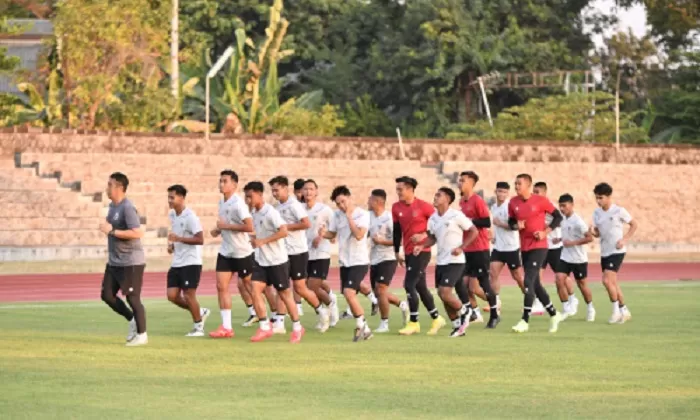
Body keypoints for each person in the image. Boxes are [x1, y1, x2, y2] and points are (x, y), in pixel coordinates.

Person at [245, 181, 305, 343]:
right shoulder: (255, 214)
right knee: (254, 289)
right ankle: (265, 326)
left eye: (250, 197)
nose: (248, 200)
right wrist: (253, 239)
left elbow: (284, 231)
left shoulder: (270, 212)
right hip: (262, 261)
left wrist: (263, 241)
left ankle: (298, 327)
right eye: (246, 197)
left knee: (285, 295)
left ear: (259, 195)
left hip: (278, 261)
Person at [269, 176, 329, 332]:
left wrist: (285, 226)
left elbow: (306, 223)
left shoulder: (294, 205)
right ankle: (280, 322)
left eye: (276, 190)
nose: (274, 193)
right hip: (282, 252)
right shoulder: (276, 207)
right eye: (272, 190)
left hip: (298, 252)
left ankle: (320, 310)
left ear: (285, 189)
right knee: (282, 287)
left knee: (300, 288)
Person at [508, 173, 565, 333]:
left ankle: (525, 321)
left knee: (528, 281)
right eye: (515, 183)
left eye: (519, 184)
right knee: (536, 284)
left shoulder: (540, 201)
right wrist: (515, 225)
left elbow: (557, 217)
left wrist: (545, 232)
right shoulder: (513, 202)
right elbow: (511, 221)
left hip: (539, 247)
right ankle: (554, 314)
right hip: (524, 247)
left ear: (528, 185)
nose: (516, 186)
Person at [418, 187, 478, 337]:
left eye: (439, 195)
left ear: (447, 199)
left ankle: (467, 311)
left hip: (455, 260)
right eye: (435, 194)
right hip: (441, 261)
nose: (435, 197)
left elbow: (474, 231)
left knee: (444, 292)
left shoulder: (456, 215)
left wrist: (462, 247)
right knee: (442, 294)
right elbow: (432, 238)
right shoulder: (432, 218)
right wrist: (421, 246)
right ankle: (457, 326)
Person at [392, 176, 446, 336]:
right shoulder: (396, 207)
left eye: (400, 189)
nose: (398, 192)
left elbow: (438, 224)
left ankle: (414, 322)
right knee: (420, 287)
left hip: (422, 252)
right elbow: (397, 231)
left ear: (410, 189)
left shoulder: (424, 207)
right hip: (408, 252)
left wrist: (423, 235)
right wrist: (397, 251)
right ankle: (437, 318)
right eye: (397, 189)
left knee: (409, 284)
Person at [98, 172, 147, 346]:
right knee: (107, 295)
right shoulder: (112, 206)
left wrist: (112, 231)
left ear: (119, 187)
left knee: (133, 298)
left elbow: (137, 232)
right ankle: (132, 319)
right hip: (114, 262)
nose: (107, 187)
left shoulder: (127, 207)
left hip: (131, 262)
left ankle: (142, 335)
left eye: (110, 184)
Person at [319, 185, 373, 342]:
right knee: (347, 294)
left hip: (359, 260)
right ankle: (366, 329)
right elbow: (333, 234)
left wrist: (349, 217)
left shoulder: (362, 214)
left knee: (349, 293)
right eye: (338, 203)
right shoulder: (336, 216)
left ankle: (361, 325)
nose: (341, 206)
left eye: (343, 201)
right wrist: (324, 234)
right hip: (345, 261)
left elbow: (359, 235)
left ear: (350, 197)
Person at [209, 170, 254, 339]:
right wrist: (217, 229)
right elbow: (225, 225)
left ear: (234, 185)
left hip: (242, 252)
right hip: (226, 251)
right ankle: (226, 327)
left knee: (252, 287)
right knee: (221, 287)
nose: (221, 184)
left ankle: (272, 318)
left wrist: (226, 226)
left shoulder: (238, 204)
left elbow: (249, 227)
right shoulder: (222, 203)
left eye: (225, 181)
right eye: (220, 181)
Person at [165, 184, 211, 336]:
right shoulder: (172, 215)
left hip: (191, 262)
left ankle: (198, 328)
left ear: (182, 198)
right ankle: (200, 311)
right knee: (172, 296)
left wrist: (179, 239)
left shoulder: (190, 217)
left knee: (189, 295)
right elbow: (176, 235)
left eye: (172, 197)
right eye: (169, 197)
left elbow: (200, 239)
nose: (169, 201)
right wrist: (172, 245)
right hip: (177, 261)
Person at [457, 171, 500, 328]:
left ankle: (495, 313)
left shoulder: (477, 201)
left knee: (483, 283)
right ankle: (473, 312)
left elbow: (486, 222)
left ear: (471, 184)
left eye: (463, 180)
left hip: (479, 249)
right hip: (466, 249)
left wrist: (468, 221)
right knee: (461, 282)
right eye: (459, 180)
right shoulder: (462, 202)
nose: (459, 183)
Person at [590, 182, 637, 324]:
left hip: (617, 251)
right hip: (605, 251)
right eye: (596, 198)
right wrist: (593, 232)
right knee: (613, 283)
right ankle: (624, 310)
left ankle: (615, 311)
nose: (598, 201)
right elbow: (599, 233)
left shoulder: (619, 211)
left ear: (609, 196)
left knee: (606, 280)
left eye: (601, 198)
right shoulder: (596, 213)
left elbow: (634, 224)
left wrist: (625, 239)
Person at [368, 189, 409, 333]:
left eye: (370, 199)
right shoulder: (369, 216)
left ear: (378, 202)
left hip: (388, 258)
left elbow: (399, 241)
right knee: (379, 293)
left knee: (380, 289)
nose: (368, 201)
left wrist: (382, 241)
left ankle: (384, 323)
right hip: (374, 258)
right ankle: (402, 304)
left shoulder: (389, 218)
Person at [533, 181, 577, 316]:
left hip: (555, 247)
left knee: (563, 277)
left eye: (537, 192)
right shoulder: (534, 207)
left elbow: (560, 221)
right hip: (541, 247)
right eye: (533, 192)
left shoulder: (551, 207)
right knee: (537, 276)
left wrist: (547, 227)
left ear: (544, 193)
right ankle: (539, 303)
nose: (534, 195)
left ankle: (572, 298)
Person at [303, 179, 340, 329]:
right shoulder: (299, 209)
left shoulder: (325, 210)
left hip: (321, 253)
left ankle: (330, 306)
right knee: (304, 288)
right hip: (304, 253)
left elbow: (333, 232)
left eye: (311, 189)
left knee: (312, 287)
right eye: (305, 189)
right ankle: (326, 307)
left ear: (316, 192)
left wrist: (323, 236)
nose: (308, 192)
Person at [556, 194, 595, 321]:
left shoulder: (578, 221)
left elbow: (589, 238)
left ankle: (590, 308)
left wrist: (572, 243)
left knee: (582, 285)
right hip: (565, 257)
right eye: (560, 206)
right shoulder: (563, 219)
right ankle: (566, 308)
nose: (562, 208)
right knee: (559, 279)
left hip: (578, 259)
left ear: (572, 205)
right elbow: (568, 234)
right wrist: (560, 239)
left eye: (564, 206)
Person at [489, 182, 525, 307]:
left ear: (508, 193)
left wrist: (500, 224)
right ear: (496, 192)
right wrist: (493, 237)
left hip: (511, 248)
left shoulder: (510, 207)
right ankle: (496, 302)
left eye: (504, 192)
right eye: (500, 191)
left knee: (518, 277)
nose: (502, 194)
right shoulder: (493, 207)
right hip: (498, 247)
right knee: (493, 273)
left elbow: (516, 226)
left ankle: (530, 298)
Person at [292, 178, 306, 315]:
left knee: (314, 284)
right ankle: (297, 305)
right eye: (304, 190)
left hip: (310, 250)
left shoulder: (316, 207)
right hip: (293, 249)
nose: (306, 193)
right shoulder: (294, 205)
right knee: (294, 282)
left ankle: (328, 300)